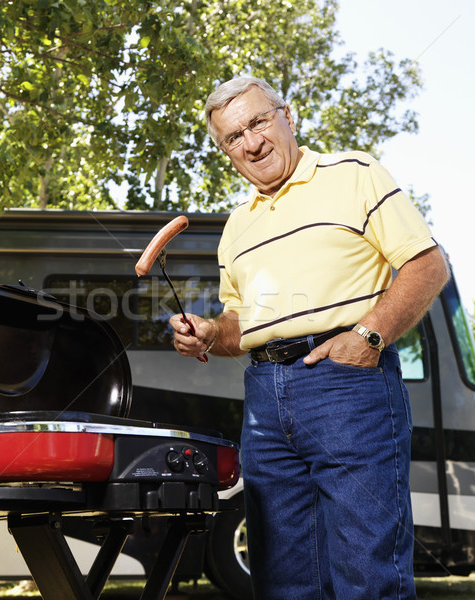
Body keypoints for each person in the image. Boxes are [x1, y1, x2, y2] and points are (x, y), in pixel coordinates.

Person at [169, 76, 449, 599]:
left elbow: (427, 265)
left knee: (369, 576)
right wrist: (210, 333)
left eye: (257, 122)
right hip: (264, 403)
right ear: (226, 150)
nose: (250, 143)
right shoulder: (237, 227)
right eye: (233, 137)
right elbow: (240, 328)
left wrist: (369, 335)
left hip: (348, 389)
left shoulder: (355, 174)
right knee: (282, 582)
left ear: (287, 116)